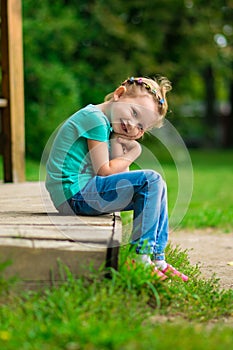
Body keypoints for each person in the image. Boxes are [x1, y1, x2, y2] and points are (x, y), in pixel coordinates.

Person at [46, 76, 188, 282]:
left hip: (82, 193)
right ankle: (140, 258)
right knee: (152, 180)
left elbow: (121, 177)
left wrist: (121, 147)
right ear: (119, 94)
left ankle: (157, 259)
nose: (132, 125)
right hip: (73, 194)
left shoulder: (107, 125)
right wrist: (133, 152)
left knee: (159, 186)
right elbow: (104, 170)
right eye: (134, 112)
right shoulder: (94, 119)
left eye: (141, 127)